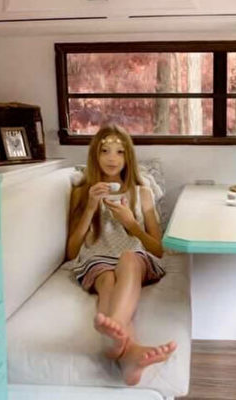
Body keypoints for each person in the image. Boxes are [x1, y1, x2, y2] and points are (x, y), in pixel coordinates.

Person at [66, 124, 177, 386]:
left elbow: (157, 249)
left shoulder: (142, 193)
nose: (112, 158)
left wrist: (131, 224)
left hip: (135, 259)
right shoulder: (82, 193)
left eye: (119, 151)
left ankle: (113, 331)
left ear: (128, 157)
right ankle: (129, 353)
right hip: (99, 259)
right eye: (104, 151)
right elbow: (72, 252)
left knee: (128, 257)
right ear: (95, 155)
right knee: (106, 280)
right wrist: (91, 206)